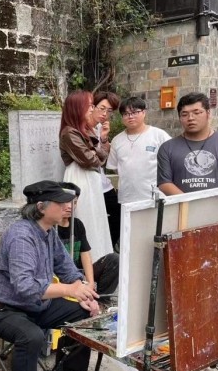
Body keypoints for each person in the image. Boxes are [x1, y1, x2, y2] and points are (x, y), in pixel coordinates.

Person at [0, 181, 102, 371]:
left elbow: (65, 266)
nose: (69, 206)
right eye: (61, 202)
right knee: (31, 336)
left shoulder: (48, 231)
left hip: (37, 305)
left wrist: (84, 291)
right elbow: (25, 287)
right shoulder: (21, 236)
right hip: (3, 308)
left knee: (84, 315)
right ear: (41, 207)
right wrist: (69, 290)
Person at [59, 90, 114, 257]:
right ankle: (88, 259)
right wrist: (96, 152)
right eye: (89, 105)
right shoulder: (69, 132)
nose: (92, 108)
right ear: (78, 107)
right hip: (79, 177)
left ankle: (100, 257)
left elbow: (100, 156)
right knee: (85, 218)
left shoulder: (84, 130)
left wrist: (96, 150)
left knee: (96, 218)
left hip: (90, 178)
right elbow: (91, 160)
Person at [158, 92, 218, 195]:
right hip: (182, 205)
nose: (190, 118)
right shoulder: (167, 148)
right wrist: (188, 203)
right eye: (184, 114)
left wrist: (217, 200)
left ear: (208, 113)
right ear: (179, 118)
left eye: (197, 113)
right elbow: (164, 183)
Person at [55, 182, 120, 295]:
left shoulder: (77, 224)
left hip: (79, 273)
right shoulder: (50, 227)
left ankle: (101, 298)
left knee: (114, 260)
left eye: (74, 202)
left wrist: (90, 283)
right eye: (66, 202)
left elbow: (85, 254)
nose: (70, 206)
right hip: (59, 276)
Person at [106, 97, 171, 207]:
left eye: (135, 112)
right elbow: (115, 167)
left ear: (144, 112)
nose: (130, 116)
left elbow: (172, 163)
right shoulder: (117, 140)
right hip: (127, 199)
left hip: (154, 198)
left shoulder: (159, 136)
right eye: (126, 114)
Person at [92, 92, 122, 249]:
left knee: (117, 213)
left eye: (109, 111)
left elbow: (104, 158)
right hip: (88, 182)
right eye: (102, 108)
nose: (105, 114)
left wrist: (104, 138)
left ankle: (108, 247)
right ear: (92, 106)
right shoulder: (82, 128)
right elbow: (95, 159)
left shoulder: (99, 127)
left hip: (103, 182)